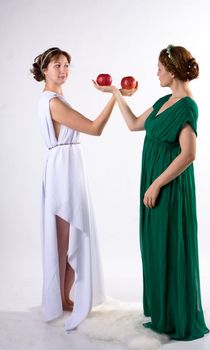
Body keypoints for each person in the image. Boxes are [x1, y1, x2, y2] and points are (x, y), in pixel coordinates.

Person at [94, 45, 209, 340]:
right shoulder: (162, 102)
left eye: (159, 68)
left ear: (171, 70)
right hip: (152, 183)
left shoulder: (187, 107)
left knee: (170, 244)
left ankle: (176, 316)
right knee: (154, 243)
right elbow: (133, 125)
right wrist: (116, 94)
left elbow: (189, 154)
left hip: (169, 187)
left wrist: (157, 183)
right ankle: (162, 312)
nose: (156, 72)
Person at [31, 47, 116, 332]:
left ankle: (63, 297)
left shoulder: (54, 99)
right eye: (57, 65)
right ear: (45, 70)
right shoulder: (54, 102)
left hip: (65, 166)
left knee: (66, 236)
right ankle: (59, 299)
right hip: (63, 170)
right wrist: (115, 96)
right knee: (64, 236)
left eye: (67, 65)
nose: (63, 70)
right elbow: (94, 128)